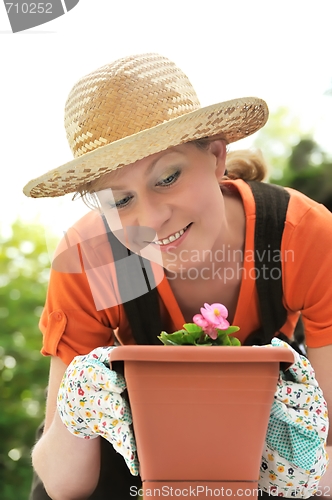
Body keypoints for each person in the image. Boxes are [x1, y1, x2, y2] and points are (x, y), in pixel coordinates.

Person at [23, 53, 332, 500]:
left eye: (168, 177)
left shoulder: (297, 237)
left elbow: (325, 450)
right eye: (119, 200)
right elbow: (65, 484)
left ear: (215, 156)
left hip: (272, 438)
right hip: (134, 457)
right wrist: (80, 402)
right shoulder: (104, 259)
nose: (151, 219)